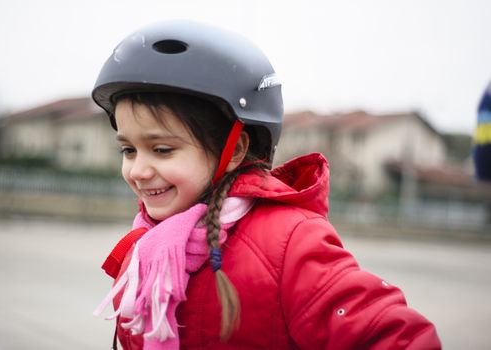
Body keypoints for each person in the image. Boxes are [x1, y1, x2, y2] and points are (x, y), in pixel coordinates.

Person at [92, 20, 441, 349]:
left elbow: (397, 337)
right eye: (128, 149)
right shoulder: (150, 247)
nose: (138, 170)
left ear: (236, 149)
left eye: (162, 149)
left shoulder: (290, 242)